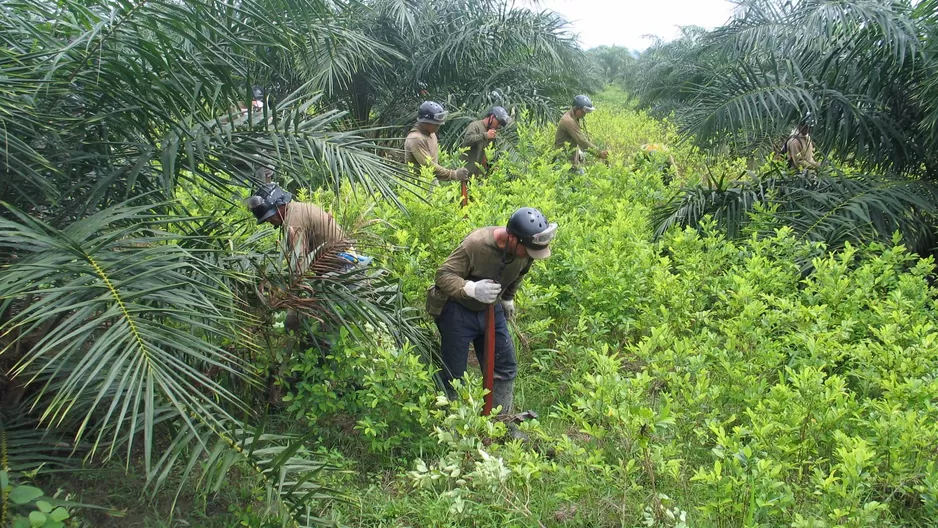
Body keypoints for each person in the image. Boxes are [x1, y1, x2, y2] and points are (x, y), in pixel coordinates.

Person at [426, 207, 557, 435]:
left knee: (504, 366)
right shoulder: (475, 244)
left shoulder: (525, 251)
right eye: (526, 250)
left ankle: (499, 422)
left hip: (491, 309)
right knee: (454, 374)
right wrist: (470, 288)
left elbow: (519, 274)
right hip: (457, 310)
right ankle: (453, 430)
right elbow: (443, 275)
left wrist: (507, 299)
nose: (528, 256)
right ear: (513, 238)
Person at [404, 101, 469, 182]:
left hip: (431, 183)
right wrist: (453, 174)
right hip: (418, 187)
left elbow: (435, 164)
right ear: (426, 122)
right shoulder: (415, 139)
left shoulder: (431, 134)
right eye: (436, 124)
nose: (439, 126)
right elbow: (428, 165)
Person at [554, 95, 608, 168]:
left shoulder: (573, 117)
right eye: (583, 112)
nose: (584, 114)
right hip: (564, 161)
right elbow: (582, 141)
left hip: (570, 159)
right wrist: (598, 153)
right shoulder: (568, 121)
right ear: (576, 108)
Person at [461, 106, 511, 177]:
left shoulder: (492, 134)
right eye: (499, 122)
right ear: (491, 117)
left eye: (501, 125)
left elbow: (487, 156)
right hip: (465, 176)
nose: (499, 126)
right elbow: (468, 140)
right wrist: (485, 136)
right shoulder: (475, 126)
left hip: (479, 179)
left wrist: (492, 167)